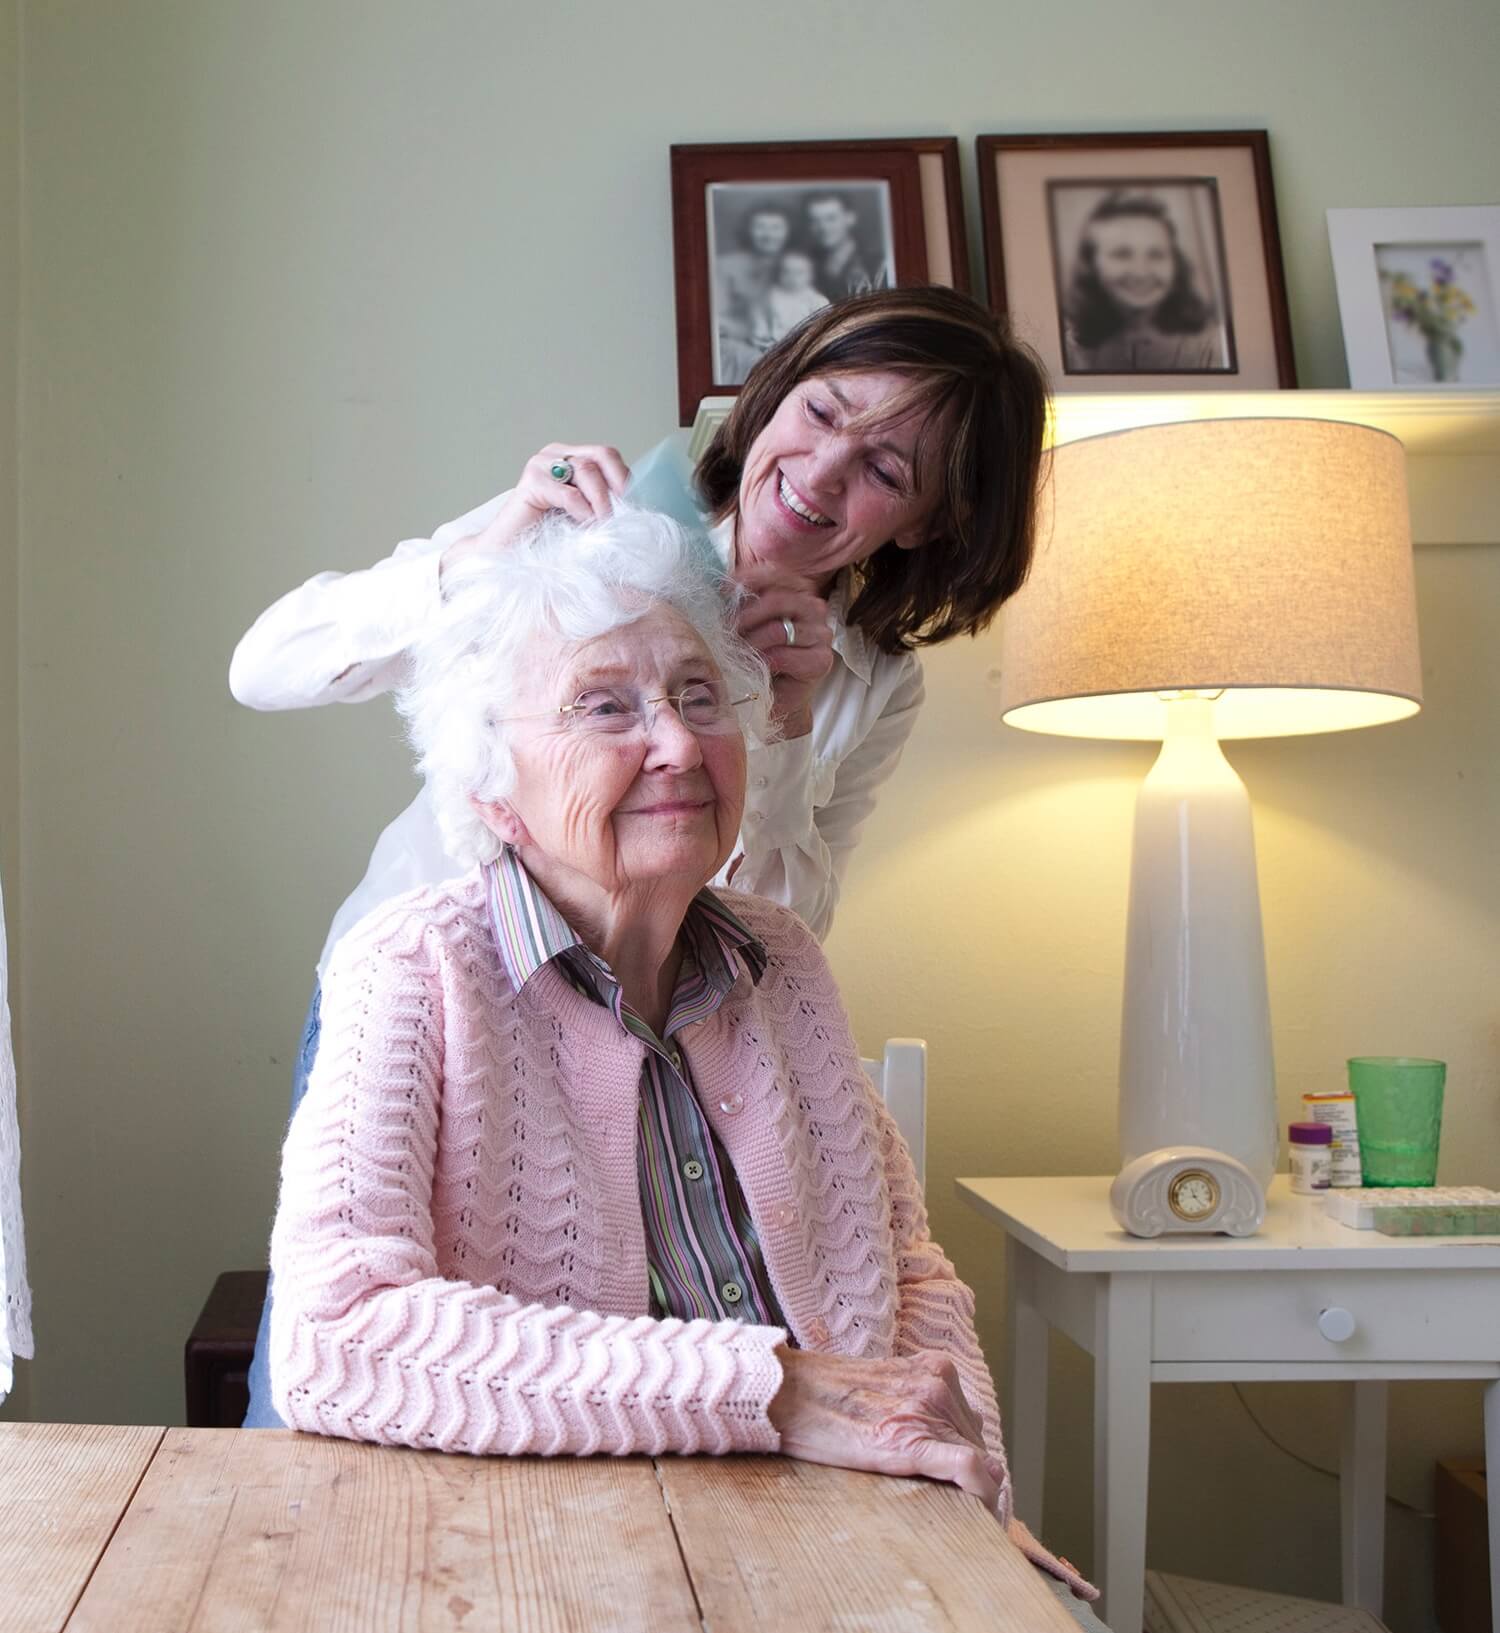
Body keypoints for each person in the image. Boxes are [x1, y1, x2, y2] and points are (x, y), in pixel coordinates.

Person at [234, 286, 1050, 1428]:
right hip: (452, 1011)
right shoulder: (584, 533)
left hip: (660, 1028)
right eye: (821, 412)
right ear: (774, 395)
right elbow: (264, 666)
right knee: (346, 1376)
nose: (820, 473)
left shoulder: (869, 679)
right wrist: (486, 547)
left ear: (923, 523)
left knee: (607, 1347)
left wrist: (787, 729)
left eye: (886, 471)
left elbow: (764, 937)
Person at [267, 506, 1099, 1618]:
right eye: (605, 705)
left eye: (699, 695)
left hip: (842, 1550)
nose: (675, 741)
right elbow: (335, 1333)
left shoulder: (784, 963)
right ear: (490, 788)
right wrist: (778, 1391)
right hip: (551, 1567)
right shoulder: (413, 971)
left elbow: (912, 1279)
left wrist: (972, 1501)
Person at [1062, 191, 1223, 373]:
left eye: (1156, 255)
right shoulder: (1069, 348)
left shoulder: (1214, 345)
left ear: (1176, 263)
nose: (1141, 272)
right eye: (1121, 254)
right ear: (1091, 264)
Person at [714, 201, 795, 384]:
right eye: (760, 227)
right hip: (742, 344)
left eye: (776, 227)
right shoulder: (727, 266)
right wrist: (751, 335)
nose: (768, 235)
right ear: (749, 230)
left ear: (787, 231)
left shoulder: (796, 266)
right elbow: (719, 321)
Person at [803, 191, 889, 301]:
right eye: (814, 221)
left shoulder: (877, 265)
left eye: (831, 219)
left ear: (850, 218)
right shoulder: (806, 264)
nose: (823, 228)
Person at [749, 249, 830, 351]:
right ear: (779, 273)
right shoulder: (770, 297)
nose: (792, 277)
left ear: (810, 275)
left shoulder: (817, 301)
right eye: (786, 272)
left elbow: (823, 330)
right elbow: (760, 322)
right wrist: (763, 337)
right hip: (774, 347)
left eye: (799, 273)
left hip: (805, 347)